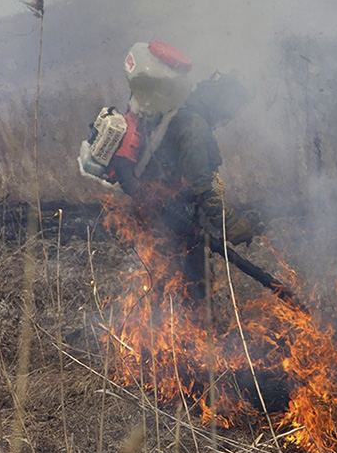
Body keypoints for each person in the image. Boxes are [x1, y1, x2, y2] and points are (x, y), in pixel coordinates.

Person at [80, 40, 254, 300]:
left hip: (158, 211)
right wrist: (230, 225)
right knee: (190, 288)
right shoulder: (193, 123)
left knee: (164, 283)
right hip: (169, 216)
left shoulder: (177, 110)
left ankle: (169, 328)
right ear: (222, 102)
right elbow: (201, 184)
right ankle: (191, 334)